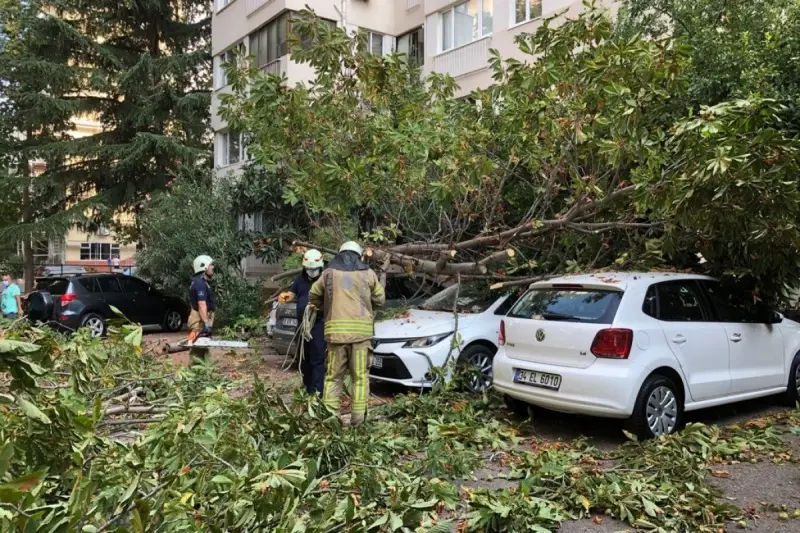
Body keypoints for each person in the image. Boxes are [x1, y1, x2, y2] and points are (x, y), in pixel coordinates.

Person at [309, 241, 385, 426]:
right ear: (359, 256)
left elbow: (313, 294)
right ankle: (358, 421)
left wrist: (322, 305)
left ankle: (330, 419)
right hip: (361, 337)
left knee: (333, 378)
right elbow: (381, 300)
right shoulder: (368, 273)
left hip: (336, 337)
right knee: (360, 378)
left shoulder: (328, 273)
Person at [278, 249, 326, 394]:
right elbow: (292, 294)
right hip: (302, 327)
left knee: (317, 359)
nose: (312, 272)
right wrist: (285, 297)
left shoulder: (325, 280)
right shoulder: (300, 280)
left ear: (320, 267)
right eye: (309, 269)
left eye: (314, 269)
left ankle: (317, 392)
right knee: (304, 358)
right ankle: (307, 387)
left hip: (318, 324)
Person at [188, 255, 216, 360]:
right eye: (210, 265)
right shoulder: (199, 283)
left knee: (203, 347)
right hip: (199, 321)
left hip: (201, 319)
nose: (213, 267)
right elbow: (201, 304)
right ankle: (194, 373)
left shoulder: (200, 281)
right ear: (203, 267)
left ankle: (204, 371)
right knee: (197, 349)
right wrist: (205, 323)